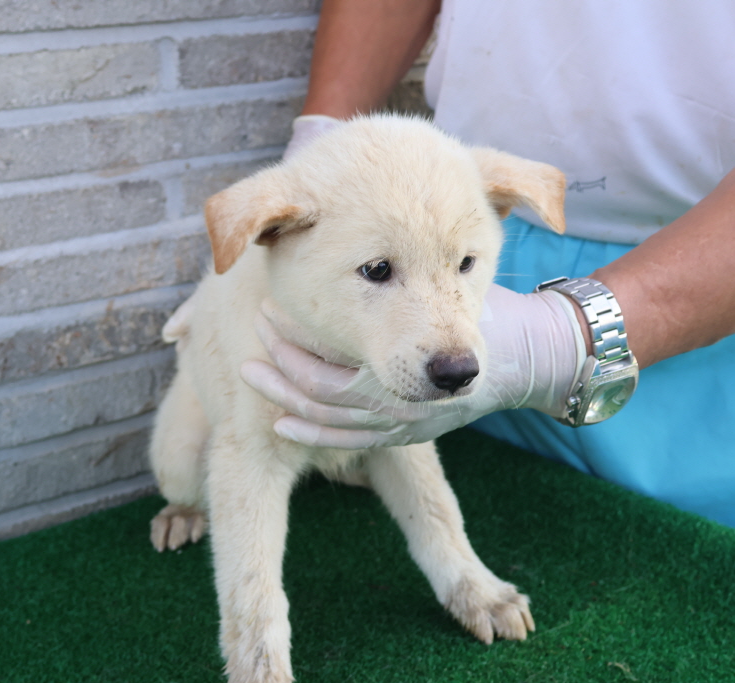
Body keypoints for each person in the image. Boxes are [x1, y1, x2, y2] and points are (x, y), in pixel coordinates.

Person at [232, 0, 735, 526]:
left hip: (704, 275)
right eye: (379, 270)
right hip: (487, 242)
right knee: (485, 481)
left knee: (682, 545)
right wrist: (323, 136)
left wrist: (561, 340)